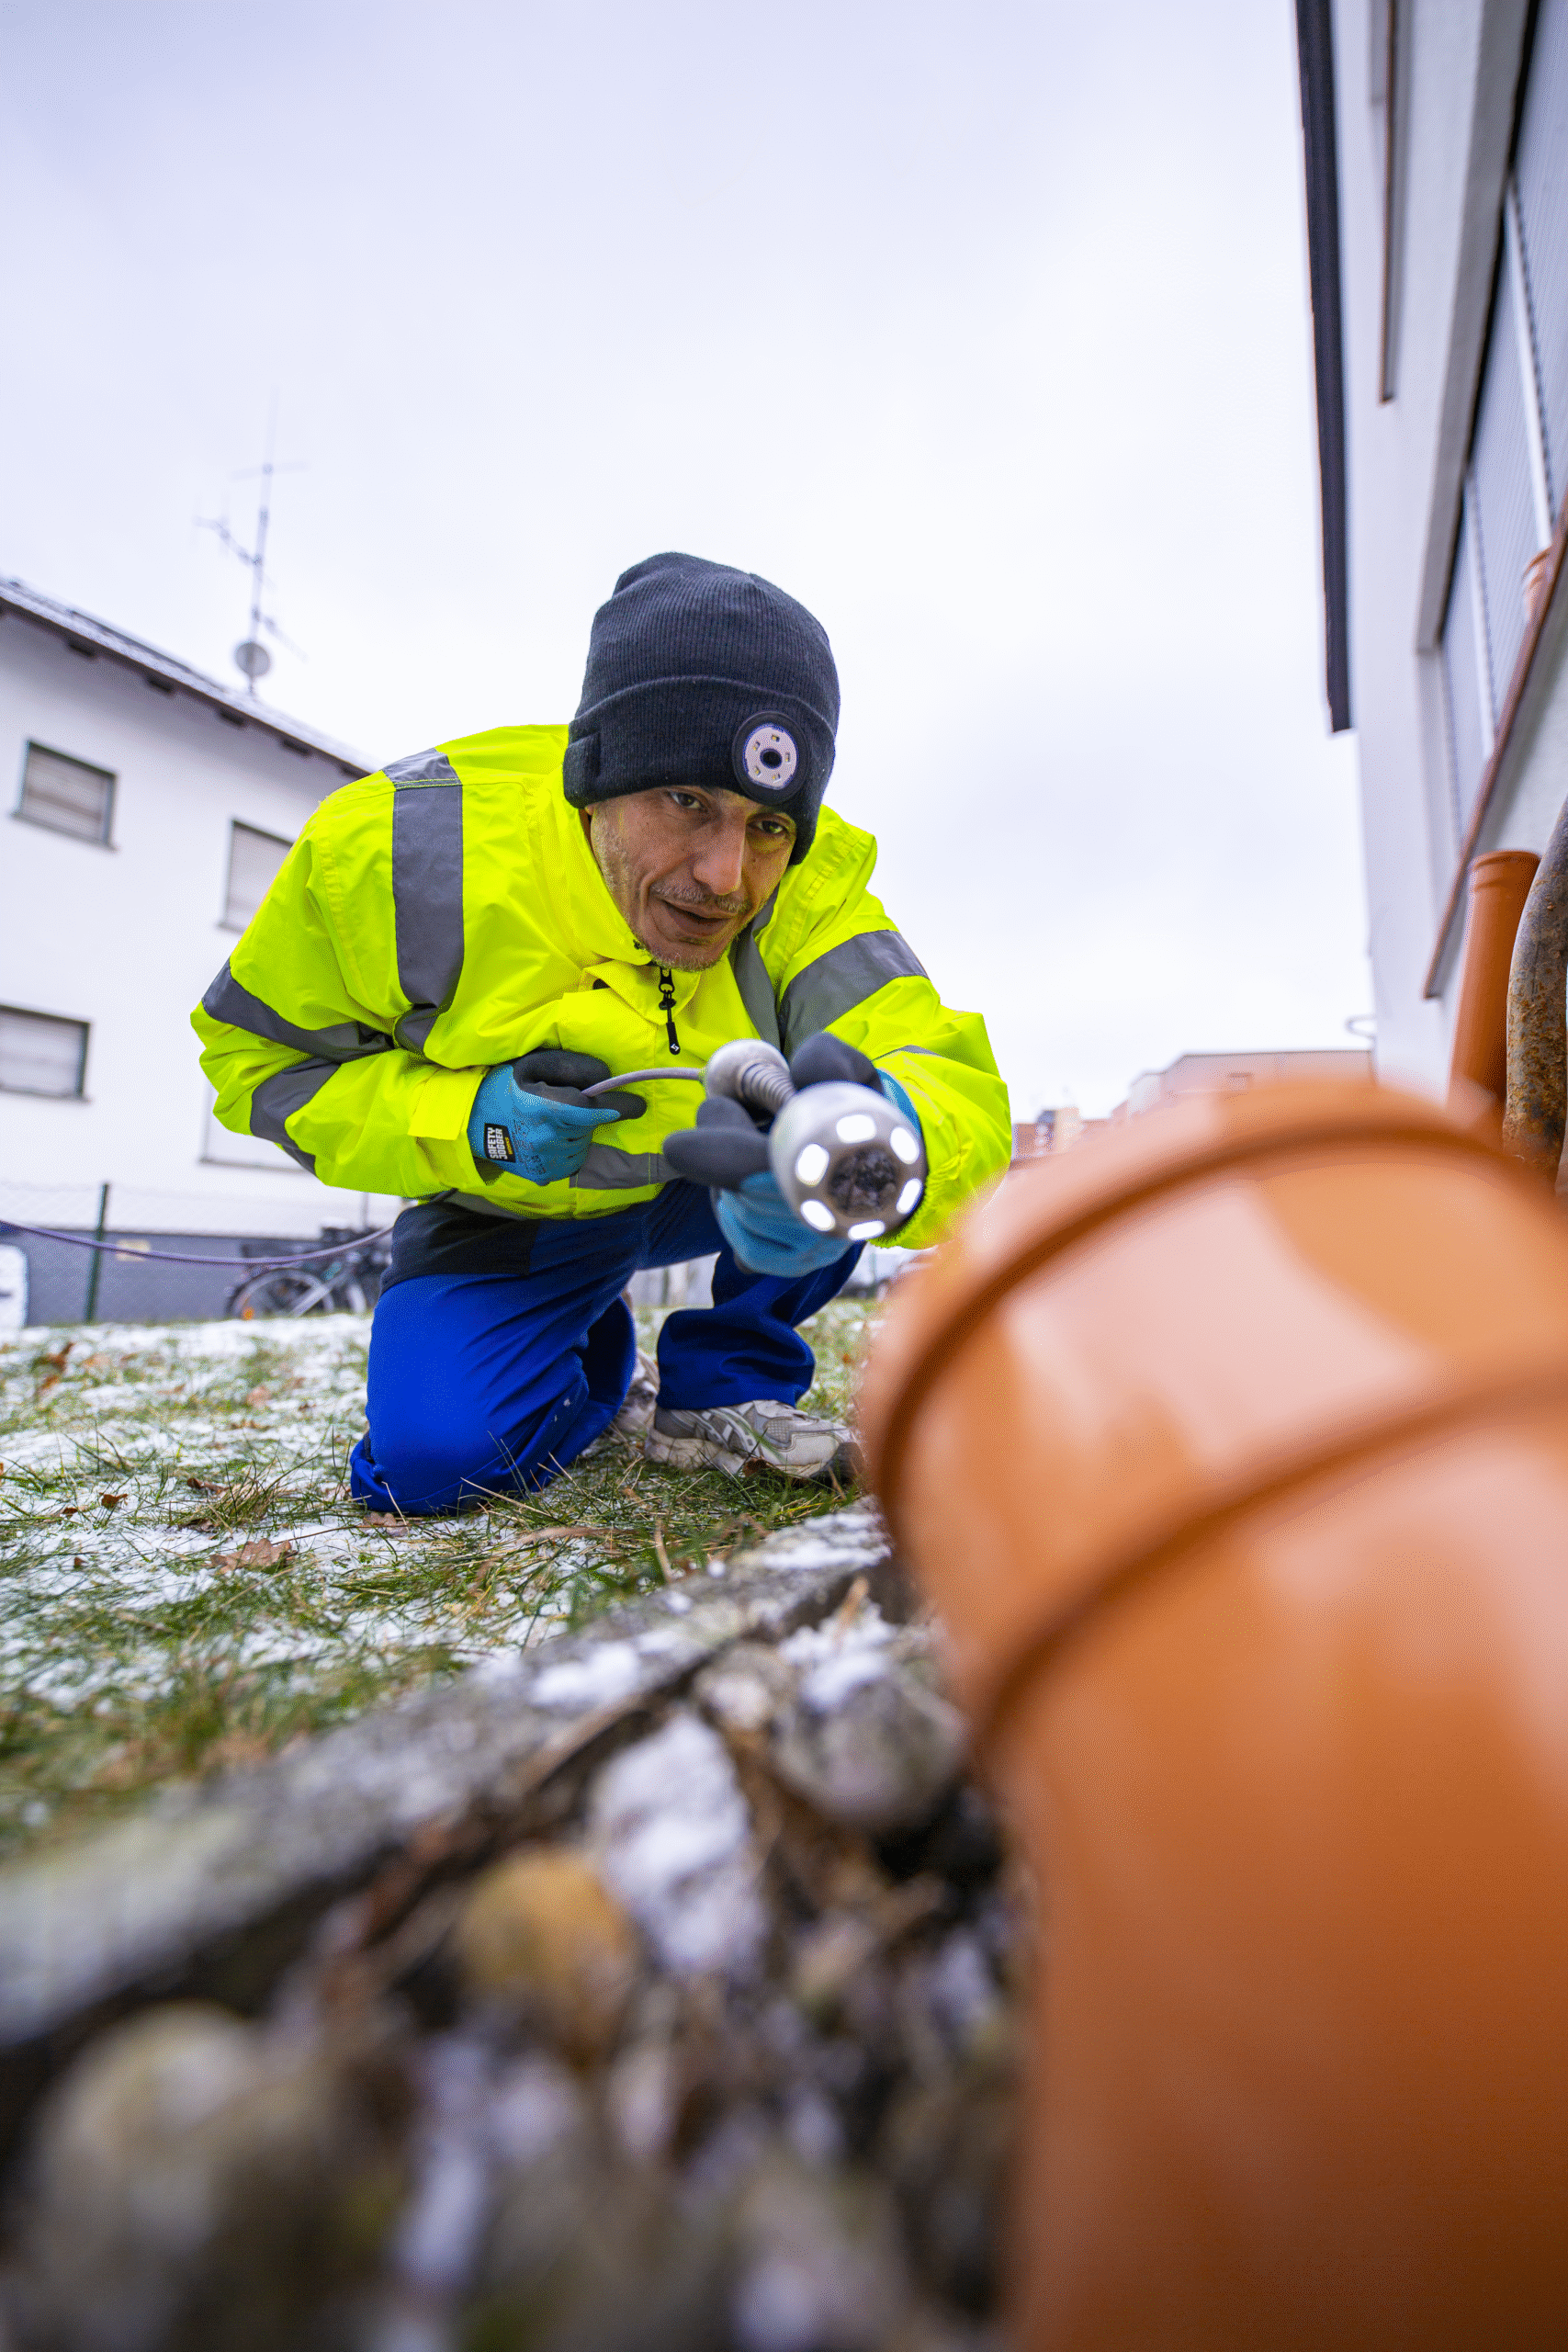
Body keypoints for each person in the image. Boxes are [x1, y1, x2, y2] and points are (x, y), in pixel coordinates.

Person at [194, 553, 1010, 1511]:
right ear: (595, 778)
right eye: (687, 801)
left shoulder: (809, 889)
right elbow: (257, 1067)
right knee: (432, 1462)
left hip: (700, 1188)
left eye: (767, 828)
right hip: (510, 1204)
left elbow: (947, 1085)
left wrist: (864, 1145)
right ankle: (593, 1349)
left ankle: (725, 1384)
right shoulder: (393, 856)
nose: (724, 875)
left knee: (840, 1119)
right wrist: (470, 1123)